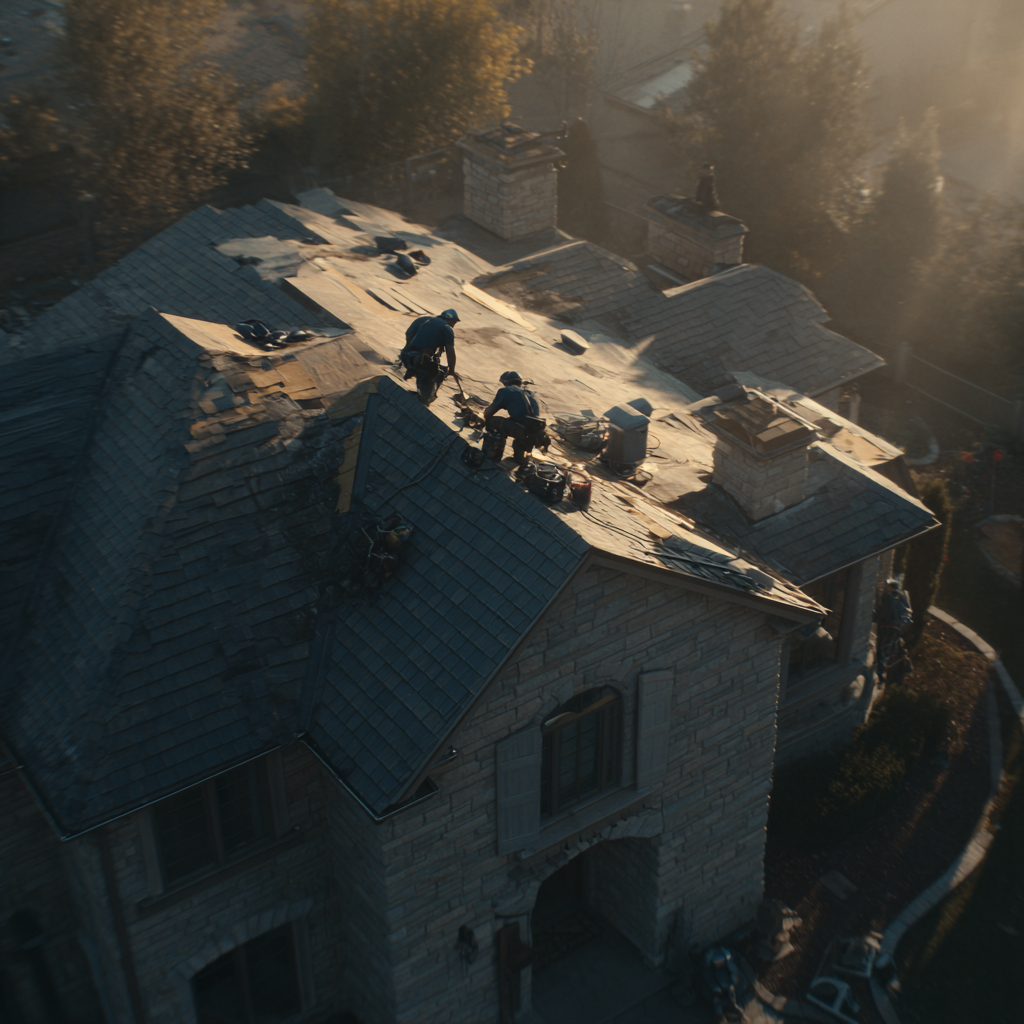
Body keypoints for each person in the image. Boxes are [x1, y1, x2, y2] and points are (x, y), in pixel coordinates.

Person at [482, 371, 551, 464]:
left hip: (522, 430)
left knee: (494, 422)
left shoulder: (506, 391)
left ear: (507, 382)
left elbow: (489, 412)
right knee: (518, 426)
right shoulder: (530, 393)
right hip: (536, 431)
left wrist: (483, 419)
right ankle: (519, 459)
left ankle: (492, 455)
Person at [400, 309, 459, 405]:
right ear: (450, 319)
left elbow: (409, 333)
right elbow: (450, 351)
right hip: (421, 360)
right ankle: (424, 400)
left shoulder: (425, 320)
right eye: (454, 322)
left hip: (406, 355)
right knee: (436, 376)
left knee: (427, 364)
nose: (454, 325)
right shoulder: (446, 328)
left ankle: (412, 373)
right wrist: (451, 370)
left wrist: (409, 348)